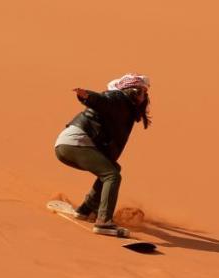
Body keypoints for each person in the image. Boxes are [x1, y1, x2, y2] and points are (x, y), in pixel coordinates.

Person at [54, 74, 152, 236]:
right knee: (112, 175)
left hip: (73, 144)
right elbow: (103, 101)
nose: (144, 96)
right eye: (141, 91)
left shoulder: (125, 108)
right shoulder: (118, 98)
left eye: (145, 92)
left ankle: (85, 210)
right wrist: (87, 96)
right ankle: (104, 223)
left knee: (112, 169)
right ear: (132, 91)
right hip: (74, 143)